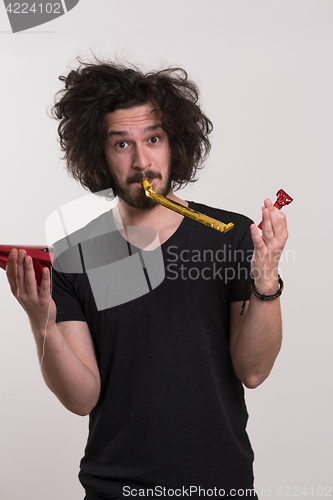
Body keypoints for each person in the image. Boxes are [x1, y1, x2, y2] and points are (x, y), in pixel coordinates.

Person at [6, 60, 288, 500]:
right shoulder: (74, 257)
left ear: (176, 143)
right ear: (98, 154)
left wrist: (266, 276)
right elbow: (82, 398)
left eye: (153, 139)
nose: (141, 161)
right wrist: (40, 317)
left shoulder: (233, 236)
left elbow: (253, 371)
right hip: (114, 490)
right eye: (122, 144)